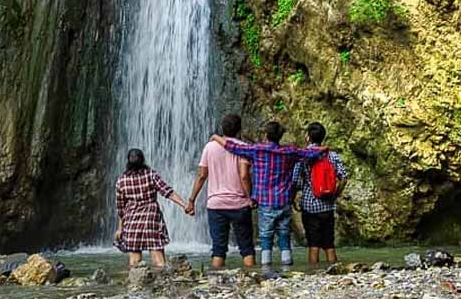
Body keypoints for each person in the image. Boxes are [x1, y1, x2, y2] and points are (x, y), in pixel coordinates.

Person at [212, 122, 325, 266]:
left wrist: (216, 137)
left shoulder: (258, 150)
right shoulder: (289, 151)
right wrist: (324, 148)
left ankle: (266, 266)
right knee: (284, 234)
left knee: (266, 236)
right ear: (280, 136)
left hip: (265, 202)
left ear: (266, 135)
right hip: (284, 200)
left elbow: (234, 147)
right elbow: (308, 153)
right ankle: (287, 263)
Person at [186, 114, 256, 268]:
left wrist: (192, 200)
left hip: (216, 205)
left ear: (222, 129)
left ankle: (216, 281)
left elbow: (202, 175)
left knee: (218, 249)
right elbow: (244, 176)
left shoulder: (209, 147)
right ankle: (252, 278)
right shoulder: (242, 147)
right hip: (239, 203)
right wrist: (250, 197)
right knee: (246, 247)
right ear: (239, 129)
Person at [114, 148, 192, 267]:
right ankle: (162, 281)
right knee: (158, 258)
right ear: (143, 160)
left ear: (128, 162)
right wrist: (184, 205)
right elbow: (167, 192)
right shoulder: (150, 174)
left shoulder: (121, 180)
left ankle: (135, 284)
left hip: (131, 220)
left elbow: (121, 208)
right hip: (151, 219)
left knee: (134, 261)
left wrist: (120, 228)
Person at [291, 121, 349, 265]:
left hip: (310, 206)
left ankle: (314, 273)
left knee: (313, 245)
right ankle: (335, 272)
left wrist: (292, 199)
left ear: (308, 137)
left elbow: (295, 181)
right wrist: (335, 194)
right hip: (328, 206)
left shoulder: (303, 157)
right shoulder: (332, 155)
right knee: (329, 245)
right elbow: (344, 177)